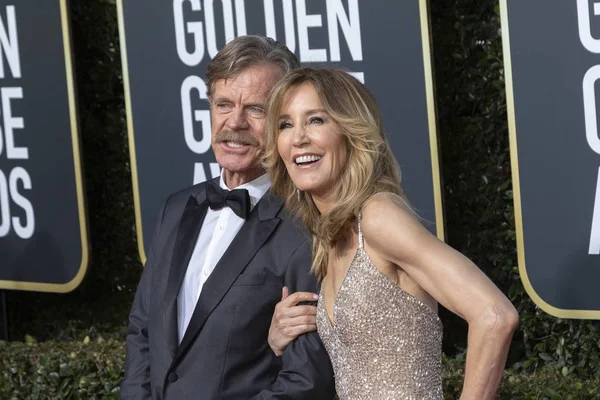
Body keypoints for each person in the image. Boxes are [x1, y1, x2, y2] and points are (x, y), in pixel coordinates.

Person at [263, 67, 519, 399]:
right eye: (286, 124)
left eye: (316, 120)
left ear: (351, 131)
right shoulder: (329, 239)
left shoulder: (378, 217)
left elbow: (495, 316)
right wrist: (278, 337)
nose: (298, 138)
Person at [120, 37, 335, 400]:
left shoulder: (306, 227)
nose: (233, 123)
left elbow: (307, 381)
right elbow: (143, 330)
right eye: (223, 104)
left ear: (285, 119)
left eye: (255, 109)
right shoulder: (176, 209)